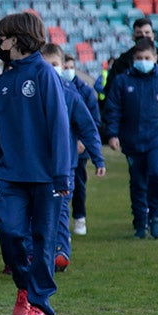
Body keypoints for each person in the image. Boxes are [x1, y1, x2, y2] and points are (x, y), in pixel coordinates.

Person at [0, 11, 71, 315]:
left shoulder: (45, 75)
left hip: (46, 177)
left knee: (44, 240)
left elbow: (59, 127)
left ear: (16, 39)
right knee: (9, 231)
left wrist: (62, 175)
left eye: (3, 37)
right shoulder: (4, 81)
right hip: (10, 175)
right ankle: (25, 288)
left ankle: (41, 306)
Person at [105, 37, 158, 238]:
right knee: (138, 182)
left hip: (157, 139)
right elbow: (113, 109)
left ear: (155, 58)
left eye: (147, 57)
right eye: (139, 58)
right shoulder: (123, 81)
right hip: (132, 140)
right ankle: (140, 222)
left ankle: (156, 218)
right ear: (134, 59)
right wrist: (112, 134)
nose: (143, 61)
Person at [40, 44, 105, 272]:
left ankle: (61, 251)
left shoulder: (70, 95)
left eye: (54, 65)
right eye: (46, 65)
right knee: (38, 211)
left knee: (60, 209)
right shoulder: (30, 94)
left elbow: (88, 127)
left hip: (65, 165)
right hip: (36, 165)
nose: (51, 69)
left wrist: (97, 157)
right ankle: (37, 252)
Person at [61, 53, 103, 236]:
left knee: (78, 184)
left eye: (71, 67)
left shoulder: (85, 91)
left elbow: (92, 121)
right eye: (65, 67)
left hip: (80, 150)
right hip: (63, 147)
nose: (67, 70)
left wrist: (83, 142)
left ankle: (79, 217)